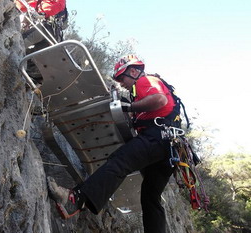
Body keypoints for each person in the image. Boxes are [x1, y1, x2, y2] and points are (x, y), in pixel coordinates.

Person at [48, 55, 182, 233]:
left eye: (122, 77)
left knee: (120, 161)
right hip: (169, 149)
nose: (121, 82)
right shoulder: (140, 90)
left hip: (158, 137)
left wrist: (127, 108)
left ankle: (76, 198)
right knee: (151, 197)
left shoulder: (145, 80)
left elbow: (159, 100)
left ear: (133, 71)